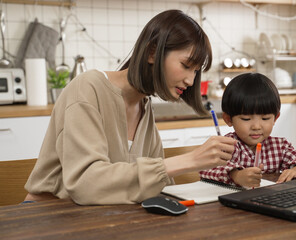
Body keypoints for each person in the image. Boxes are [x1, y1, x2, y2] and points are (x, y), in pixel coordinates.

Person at [24, 9, 236, 205]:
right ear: (152, 53)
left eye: (196, 71)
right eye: (186, 65)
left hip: (99, 218)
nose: (191, 80)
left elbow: (156, 185)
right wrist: (190, 160)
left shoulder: (144, 106)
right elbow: (86, 185)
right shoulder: (88, 88)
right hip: (47, 217)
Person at [199, 73, 296, 188]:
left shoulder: (279, 146)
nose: (256, 126)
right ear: (228, 119)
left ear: (275, 118)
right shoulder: (226, 146)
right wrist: (236, 175)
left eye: (265, 118)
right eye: (246, 119)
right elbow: (205, 168)